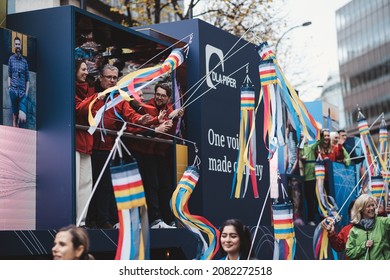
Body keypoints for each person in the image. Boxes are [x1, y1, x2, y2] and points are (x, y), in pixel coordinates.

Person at [127, 82, 183, 229]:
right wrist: (156, 127)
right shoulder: (146, 107)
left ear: (168, 98)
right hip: (142, 151)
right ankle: (153, 219)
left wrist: (174, 119)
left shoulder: (170, 110)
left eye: (163, 96)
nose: (159, 97)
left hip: (159, 153)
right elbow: (141, 128)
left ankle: (166, 218)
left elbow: (169, 134)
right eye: (157, 94)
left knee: (164, 186)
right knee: (149, 186)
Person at [75, 60, 95, 227]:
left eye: (87, 69)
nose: (86, 72)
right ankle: (71, 219)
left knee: (86, 183)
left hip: (86, 142)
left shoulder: (89, 91)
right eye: (83, 69)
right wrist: (94, 99)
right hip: (73, 142)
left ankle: (81, 221)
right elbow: (78, 110)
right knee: (75, 183)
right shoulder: (69, 87)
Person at [345, 194, 390, 260]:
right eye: (368, 206)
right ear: (361, 209)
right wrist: (364, 246)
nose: (372, 208)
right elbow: (349, 253)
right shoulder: (354, 230)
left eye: (372, 205)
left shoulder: (382, 222)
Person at [8, 36, 30, 127]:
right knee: (15, 116)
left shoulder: (25, 62)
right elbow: (9, 75)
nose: (17, 46)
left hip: (22, 93)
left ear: (21, 46)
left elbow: (28, 79)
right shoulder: (11, 59)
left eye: (19, 44)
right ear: (14, 46)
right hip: (13, 90)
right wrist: (9, 88)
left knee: (22, 117)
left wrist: (26, 93)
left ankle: (19, 132)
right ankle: (15, 135)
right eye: (16, 44)